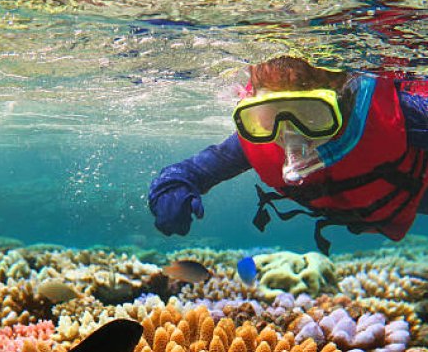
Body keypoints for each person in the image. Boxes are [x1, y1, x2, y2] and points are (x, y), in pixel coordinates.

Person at [148, 56, 428, 254]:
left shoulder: (404, 118)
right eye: (269, 116)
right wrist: (170, 186)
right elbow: (190, 173)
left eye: (311, 115)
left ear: (348, 100)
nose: (290, 135)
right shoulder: (261, 142)